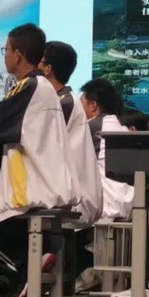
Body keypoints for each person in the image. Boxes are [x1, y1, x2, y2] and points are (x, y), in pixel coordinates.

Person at [0, 23, 79, 297]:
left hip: (34, 185)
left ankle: (22, 270)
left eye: (6, 50)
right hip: (39, 179)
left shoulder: (31, 86)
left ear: (18, 54)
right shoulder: (39, 86)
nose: (5, 55)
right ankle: (22, 268)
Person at [39, 41, 102, 226]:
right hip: (70, 195)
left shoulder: (61, 104)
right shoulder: (61, 100)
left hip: (73, 201)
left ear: (48, 69)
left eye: (37, 62)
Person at [80, 78, 134, 221]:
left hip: (104, 209)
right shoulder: (122, 128)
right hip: (127, 208)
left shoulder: (91, 127)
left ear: (92, 105)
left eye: (80, 104)